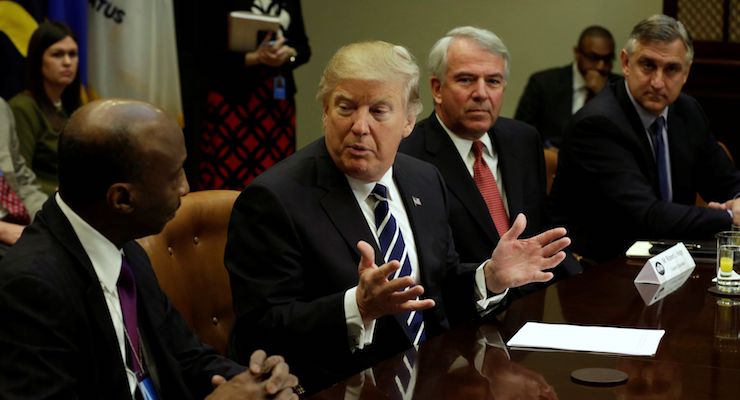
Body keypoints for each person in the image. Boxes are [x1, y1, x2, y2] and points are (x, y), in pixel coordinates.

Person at [225, 40, 570, 394]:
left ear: (408, 121)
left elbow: (439, 285)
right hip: (338, 385)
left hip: (430, 378)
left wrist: (490, 277)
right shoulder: (274, 198)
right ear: (326, 112)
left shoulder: (424, 178)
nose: (359, 126)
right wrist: (356, 306)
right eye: (346, 107)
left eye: (378, 111)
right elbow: (260, 329)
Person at [0, 99, 298, 399]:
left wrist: (257, 383)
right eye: (175, 175)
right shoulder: (30, 287)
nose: (186, 187)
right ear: (122, 200)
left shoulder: (124, 245)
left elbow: (185, 356)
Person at [399, 27, 581, 313]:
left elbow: (540, 227)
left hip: (532, 309)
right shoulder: (409, 156)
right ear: (437, 88)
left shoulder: (523, 139)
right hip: (460, 319)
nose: (481, 94)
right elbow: (429, 269)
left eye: (493, 81)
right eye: (466, 80)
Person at [549, 14, 740, 261]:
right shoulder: (597, 125)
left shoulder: (687, 111)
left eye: (671, 69)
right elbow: (646, 215)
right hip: (601, 269)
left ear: (686, 73)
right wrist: (729, 217)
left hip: (669, 258)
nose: (658, 82)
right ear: (626, 63)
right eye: (648, 65)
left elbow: (725, 181)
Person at [197, 0, 311, 190]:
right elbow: (205, 54)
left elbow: (304, 49)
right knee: (230, 178)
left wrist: (288, 53)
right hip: (232, 100)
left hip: (277, 103)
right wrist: (255, 58)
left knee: (278, 177)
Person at [515, 25, 618, 148]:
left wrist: (604, 94)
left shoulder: (620, 87)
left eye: (607, 59)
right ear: (577, 53)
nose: (601, 66)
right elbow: (520, 134)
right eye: (593, 58)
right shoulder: (543, 83)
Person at [9, 21, 82, 195]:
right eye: (57, 54)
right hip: (45, 206)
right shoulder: (22, 108)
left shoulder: (74, 108)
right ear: (38, 60)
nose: (67, 62)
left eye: (72, 54)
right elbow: (19, 177)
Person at [0, 97, 47, 257]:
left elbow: (20, 177)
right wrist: (3, 229)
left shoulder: (1, 108)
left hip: (16, 216)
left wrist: (48, 216)